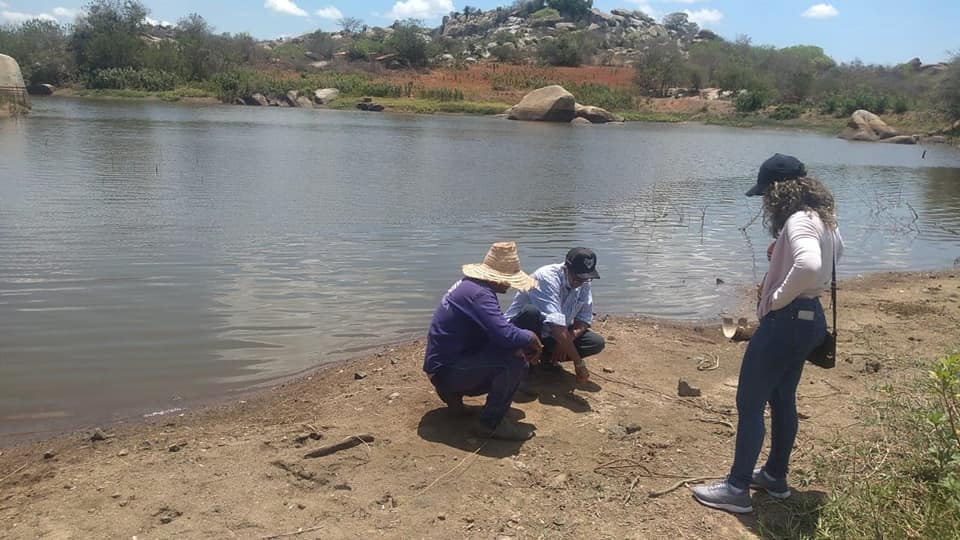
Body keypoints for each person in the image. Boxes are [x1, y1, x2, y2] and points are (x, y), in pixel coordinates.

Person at [693, 154, 844, 513]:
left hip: (786, 321)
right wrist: (782, 257)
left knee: (749, 402)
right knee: (782, 397)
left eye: (765, 194)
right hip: (811, 319)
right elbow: (835, 254)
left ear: (779, 191)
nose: (764, 202)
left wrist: (777, 298)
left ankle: (736, 488)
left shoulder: (798, 220)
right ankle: (775, 476)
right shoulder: (823, 219)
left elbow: (809, 265)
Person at [423, 241, 544, 441]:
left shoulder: (469, 286)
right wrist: (531, 336)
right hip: (446, 371)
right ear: (498, 279)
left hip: (440, 366)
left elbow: (495, 330)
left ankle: (455, 403)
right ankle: (490, 424)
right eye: (508, 280)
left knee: (506, 347)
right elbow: (505, 335)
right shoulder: (480, 294)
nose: (509, 285)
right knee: (514, 361)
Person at [504, 247, 605, 385]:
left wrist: (568, 339)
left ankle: (546, 359)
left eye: (586, 278)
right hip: (521, 328)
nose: (581, 282)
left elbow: (584, 318)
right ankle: (521, 368)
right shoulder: (546, 277)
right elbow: (556, 326)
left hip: (551, 333)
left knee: (595, 342)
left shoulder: (584, 282)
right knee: (531, 313)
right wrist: (578, 363)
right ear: (566, 269)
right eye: (577, 278)